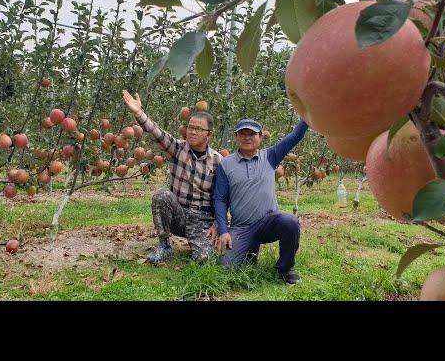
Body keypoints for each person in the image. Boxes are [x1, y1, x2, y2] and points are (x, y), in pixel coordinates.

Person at [121, 90, 222, 264]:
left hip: (202, 220)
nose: (192, 132)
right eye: (190, 127)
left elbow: (223, 198)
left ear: (209, 135)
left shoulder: (218, 162)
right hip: (180, 214)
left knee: (205, 261)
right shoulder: (177, 149)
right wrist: (139, 113)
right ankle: (164, 245)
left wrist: (218, 225)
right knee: (162, 195)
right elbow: (157, 133)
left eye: (198, 129)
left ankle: (199, 246)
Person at [214, 118, 309, 284]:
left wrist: (307, 114)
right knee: (224, 268)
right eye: (243, 133)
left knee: (290, 221)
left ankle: (285, 269)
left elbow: (294, 137)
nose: (247, 137)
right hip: (241, 227)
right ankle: (251, 251)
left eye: (252, 134)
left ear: (260, 137)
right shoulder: (226, 164)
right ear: (236, 136)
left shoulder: (270, 156)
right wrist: (223, 231)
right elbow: (221, 200)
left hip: (268, 223)